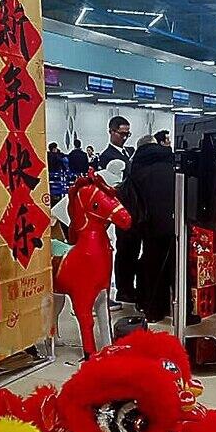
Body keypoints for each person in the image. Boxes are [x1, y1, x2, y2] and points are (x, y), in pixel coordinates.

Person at [119, 134, 175, 322]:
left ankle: (151, 308)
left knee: (150, 262)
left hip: (147, 223)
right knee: (173, 265)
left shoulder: (135, 167)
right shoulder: (171, 163)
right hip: (174, 220)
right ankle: (176, 308)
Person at [97, 116, 140, 302]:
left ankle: (130, 286)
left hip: (132, 208)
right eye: (122, 133)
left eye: (127, 134)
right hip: (120, 208)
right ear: (111, 132)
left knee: (132, 249)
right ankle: (124, 289)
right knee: (124, 250)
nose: (125, 137)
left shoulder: (128, 152)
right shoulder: (107, 156)